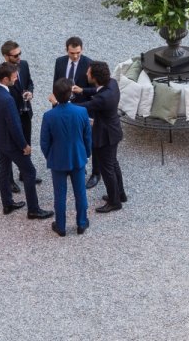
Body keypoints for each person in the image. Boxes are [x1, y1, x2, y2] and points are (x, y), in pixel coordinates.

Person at [0, 62, 53, 220]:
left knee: (4, 168)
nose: (16, 80)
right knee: (29, 171)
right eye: (14, 77)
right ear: (5, 79)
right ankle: (33, 209)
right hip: (10, 143)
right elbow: (15, 126)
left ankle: (7, 203)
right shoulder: (7, 100)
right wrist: (24, 145)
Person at [72, 61, 127, 212]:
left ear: (95, 77)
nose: (86, 74)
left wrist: (62, 104)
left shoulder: (103, 98)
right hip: (114, 131)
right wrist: (83, 90)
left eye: (88, 73)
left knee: (107, 169)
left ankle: (114, 202)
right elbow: (97, 91)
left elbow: (85, 107)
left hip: (105, 136)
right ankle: (120, 194)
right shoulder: (112, 83)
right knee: (113, 164)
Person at [40, 79, 92, 237]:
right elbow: (87, 137)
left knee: (59, 195)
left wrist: (50, 156)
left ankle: (61, 226)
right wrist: (86, 154)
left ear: (54, 95)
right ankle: (81, 223)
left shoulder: (48, 116)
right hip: (77, 157)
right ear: (70, 94)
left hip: (58, 160)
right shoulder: (81, 112)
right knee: (80, 193)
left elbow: (44, 142)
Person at [0, 40, 42, 193]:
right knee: (10, 148)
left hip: (25, 112)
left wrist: (29, 92)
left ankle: (24, 173)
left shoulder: (24, 65)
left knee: (26, 141)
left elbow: (29, 82)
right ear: (6, 57)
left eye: (20, 53)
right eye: (15, 56)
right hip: (11, 116)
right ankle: (10, 180)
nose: (19, 57)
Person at [53, 37, 99, 188]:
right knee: (69, 136)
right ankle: (74, 165)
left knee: (89, 140)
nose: (75, 56)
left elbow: (97, 90)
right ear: (66, 50)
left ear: (82, 50)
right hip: (64, 106)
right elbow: (56, 83)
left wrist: (82, 90)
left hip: (83, 108)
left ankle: (96, 173)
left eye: (78, 52)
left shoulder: (89, 64)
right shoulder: (59, 62)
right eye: (72, 53)